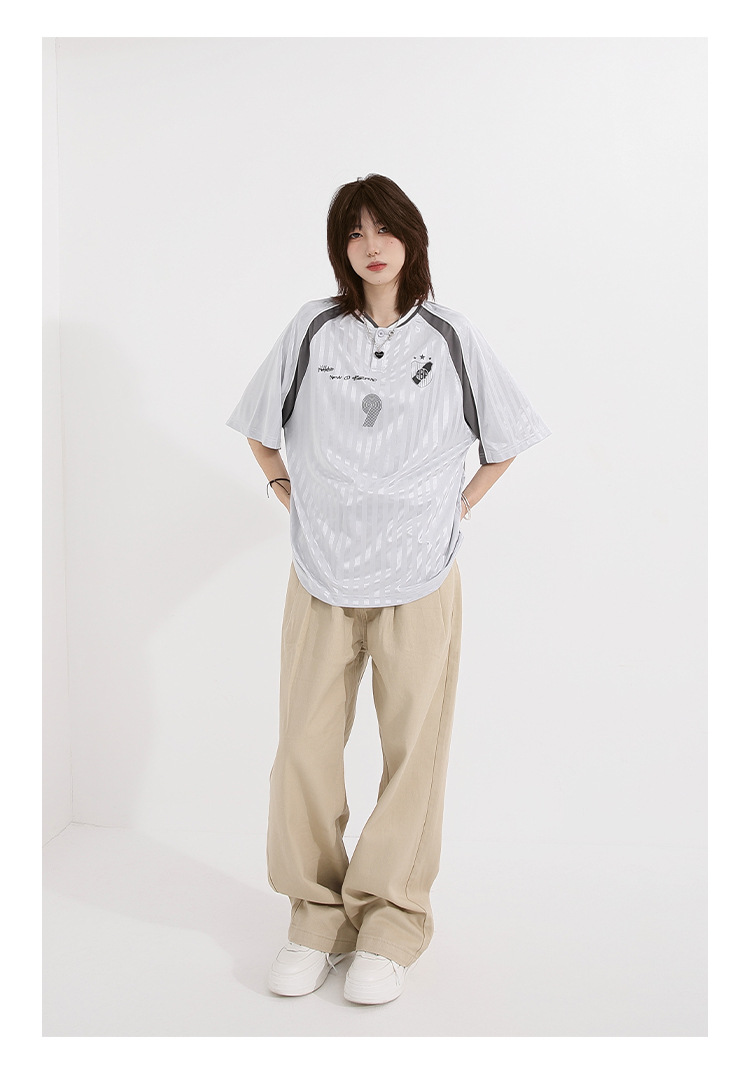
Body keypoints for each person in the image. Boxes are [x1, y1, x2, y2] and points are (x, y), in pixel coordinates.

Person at [225, 174, 551, 1005]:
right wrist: (285, 490)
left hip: (419, 576)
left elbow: (507, 438)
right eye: (354, 232)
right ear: (340, 248)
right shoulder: (313, 328)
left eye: (385, 229)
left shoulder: (449, 334)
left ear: (412, 238)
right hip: (321, 573)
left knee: (414, 756)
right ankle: (315, 918)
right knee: (303, 750)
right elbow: (261, 429)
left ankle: (391, 923)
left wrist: (455, 508)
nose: (371, 245)